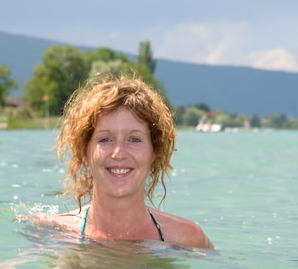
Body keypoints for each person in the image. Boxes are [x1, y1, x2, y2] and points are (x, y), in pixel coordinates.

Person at [32, 74, 213, 249]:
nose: (119, 153)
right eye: (105, 139)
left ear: (154, 152)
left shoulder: (186, 239)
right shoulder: (54, 233)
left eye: (134, 139)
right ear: (84, 153)